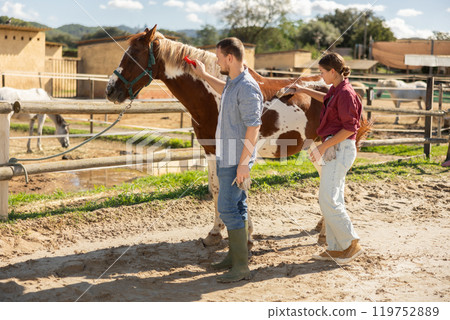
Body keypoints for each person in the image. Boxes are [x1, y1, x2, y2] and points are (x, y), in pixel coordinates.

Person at [190, 38, 263, 282]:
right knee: (238, 207)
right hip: (227, 155)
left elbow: (254, 127)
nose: (217, 61)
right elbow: (225, 90)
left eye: (219, 57)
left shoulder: (248, 87)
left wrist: (243, 164)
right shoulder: (234, 82)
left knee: (228, 208)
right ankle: (235, 257)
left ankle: (241, 267)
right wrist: (203, 75)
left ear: (230, 58)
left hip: (235, 159)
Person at [281, 52, 363, 263]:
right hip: (336, 148)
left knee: (328, 198)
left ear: (333, 71)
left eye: (322, 72)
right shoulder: (337, 90)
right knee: (332, 197)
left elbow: (350, 128)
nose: (321, 76)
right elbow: (325, 98)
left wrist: (323, 146)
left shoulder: (345, 93)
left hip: (340, 148)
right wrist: (302, 89)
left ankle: (350, 243)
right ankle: (336, 248)